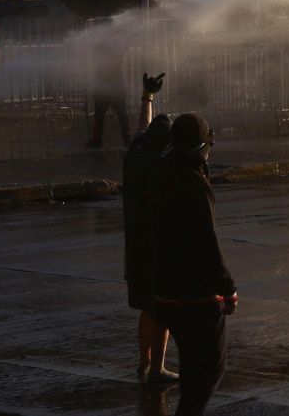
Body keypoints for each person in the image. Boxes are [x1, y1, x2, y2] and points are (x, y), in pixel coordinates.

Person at [151, 112, 237, 415]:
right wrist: (227, 288)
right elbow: (206, 245)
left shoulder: (162, 174)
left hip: (165, 293)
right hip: (195, 298)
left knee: (191, 368)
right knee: (207, 373)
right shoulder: (194, 184)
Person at [123, 72, 175, 383]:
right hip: (157, 247)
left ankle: (144, 363)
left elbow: (142, 128)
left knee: (147, 309)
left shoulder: (137, 154)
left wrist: (147, 96)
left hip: (136, 247)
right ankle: (157, 368)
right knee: (162, 310)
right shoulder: (161, 167)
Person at [88, 57, 131, 149]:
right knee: (120, 114)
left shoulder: (104, 50)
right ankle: (126, 139)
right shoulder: (115, 50)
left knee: (103, 114)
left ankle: (97, 140)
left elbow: (96, 64)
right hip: (113, 86)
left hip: (109, 86)